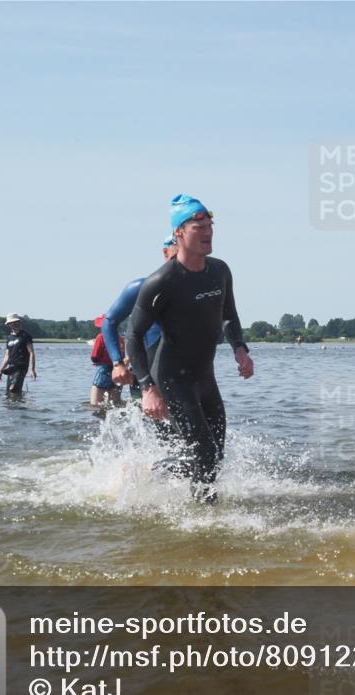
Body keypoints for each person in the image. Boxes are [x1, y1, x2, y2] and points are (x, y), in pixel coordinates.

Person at [126, 194, 253, 504]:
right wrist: (147, 389)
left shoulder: (219, 271)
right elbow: (133, 336)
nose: (208, 232)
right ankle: (203, 518)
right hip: (172, 378)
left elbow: (229, 315)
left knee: (215, 453)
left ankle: (162, 478)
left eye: (210, 225)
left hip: (205, 378)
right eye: (199, 227)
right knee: (205, 452)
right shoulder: (162, 282)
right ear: (179, 233)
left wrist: (240, 349)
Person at [104, 236, 177, 395]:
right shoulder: (143, 287)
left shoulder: (199, 290)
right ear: (165, 252)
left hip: (184, 374)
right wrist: (117, 363)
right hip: (146, 376)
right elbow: (109, 321)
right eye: (176, 256)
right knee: (146, 418)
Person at [0, 313, 36, 394]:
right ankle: (18, 403)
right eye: (12, 323)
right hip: (11, 367)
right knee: (9, 392)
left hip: (21, 367)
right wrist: (0, 370)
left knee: (13, 389)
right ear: (9, 324)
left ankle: (19, 404)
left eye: (16, 322)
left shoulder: (25, 336)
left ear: (19, 322)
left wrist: (32, 370)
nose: (15, 324)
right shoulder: (9, 338)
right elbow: (7, 356)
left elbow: (31, 353)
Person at [90, 315, 123, 407]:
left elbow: (94, 356)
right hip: (117, 369)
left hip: (103, 369)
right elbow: (122, 355)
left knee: (95, 403)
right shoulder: (120, 338)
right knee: (115, 403)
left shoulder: (101, 337)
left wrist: (95, 361)